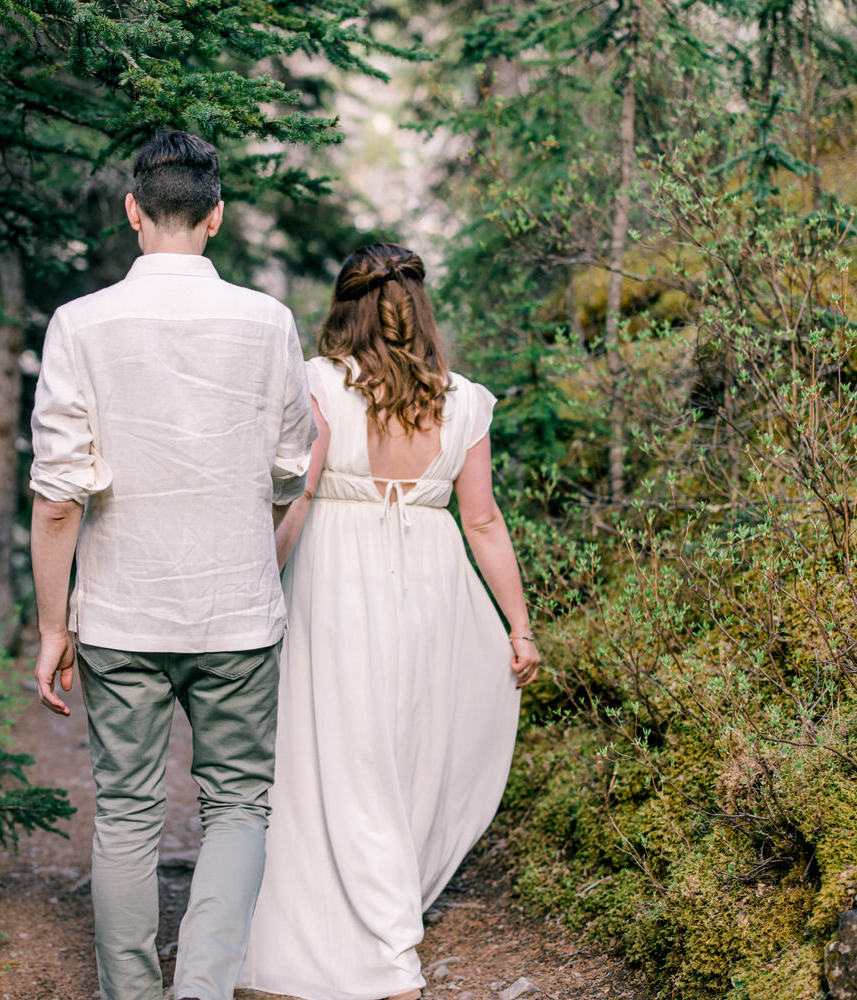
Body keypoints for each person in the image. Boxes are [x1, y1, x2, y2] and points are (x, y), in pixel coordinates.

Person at [27, 130, 316, 1000]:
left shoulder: (79, 325)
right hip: (236, 608)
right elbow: (289, 471)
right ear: (216, 216)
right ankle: (202, 988)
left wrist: (52, 626)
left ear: (131, 211)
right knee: (237, 807)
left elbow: (54, 500)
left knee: (125, 812)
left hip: (120, 611)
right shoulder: (269, 324)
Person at [238, 243, 541, 1000]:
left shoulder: (316, 386)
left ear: (346, 309)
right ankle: (386, 926)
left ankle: (350, 948)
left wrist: (256, 590)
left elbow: (298, 498)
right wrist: (519, 626)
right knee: (407, 754)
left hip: (337, 580)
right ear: (420, 311)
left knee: (332, 756)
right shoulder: (464, 399)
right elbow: (485, 522)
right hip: (432, 588)